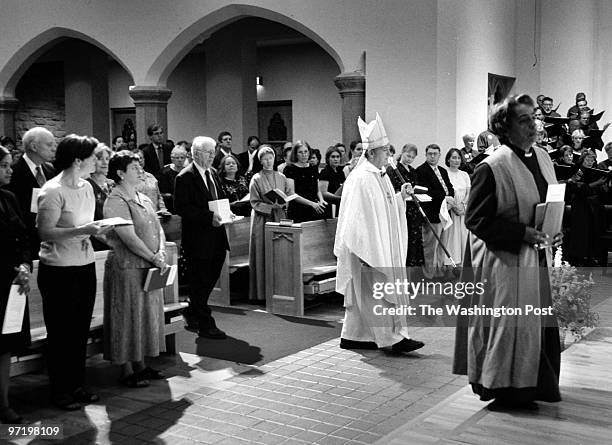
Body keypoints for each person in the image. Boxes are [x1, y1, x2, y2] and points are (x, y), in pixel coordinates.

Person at [453, 94, 562, 411]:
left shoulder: (541, 156)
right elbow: (476, 220)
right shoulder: (492, 166)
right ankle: (507, 390)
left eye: (534, 118)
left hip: (536, 257)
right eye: (524, 120)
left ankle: (536, 384)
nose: (533, 125)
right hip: (506, 261)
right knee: (511, 328)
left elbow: (547, 199)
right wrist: (521, 233)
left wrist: (553, 228)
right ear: (505, 126)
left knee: (538, 326)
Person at [335, 113, 424, 353]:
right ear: (372, 153)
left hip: (378, 245)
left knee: (368, 296)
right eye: (385, 150)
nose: (389, 154)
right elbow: (356, 219)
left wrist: (400, 197)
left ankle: (354, 336)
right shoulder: (362, 179)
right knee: (375, 294)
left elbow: (384, 208)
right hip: (367, 249)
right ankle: (392, 339)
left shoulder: (379, 175)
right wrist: (365, 249)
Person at [36, 134, 111, 410]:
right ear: (78, 160)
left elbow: (87, 223)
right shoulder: (53, 190)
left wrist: (101, 229)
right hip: (58, 269)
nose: (98, 161)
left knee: (80, 329)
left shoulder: (87, 187)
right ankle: (60, 391)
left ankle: (77, 384)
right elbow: (45, 232)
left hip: (84, 264)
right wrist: (82, 231)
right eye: (93, 157)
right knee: (61, 332)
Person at [103, 150, 168, 388]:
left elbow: (158, 228)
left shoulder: (144, 198)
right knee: (127, 315)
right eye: (134, 168)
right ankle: (126, 369)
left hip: (149, 265)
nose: (141, 170)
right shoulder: (116, 200)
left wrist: (160, 252)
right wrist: (153, 256)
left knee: (145, 314)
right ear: (120, 173)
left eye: (140, 166)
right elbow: (128, 238)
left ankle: (140, 364)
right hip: (127, 266)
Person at [174, 136, 229, 339]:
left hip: (217, 235)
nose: (213, 155)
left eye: (214, 151)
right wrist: (208, 217)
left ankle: (192, 310)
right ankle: (206, 323)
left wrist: (226, 212)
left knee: (210, 277)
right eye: (209, 152)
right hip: (198, 238)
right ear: (197, 153)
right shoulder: (185, 177)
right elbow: (182, 207)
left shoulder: (213, 173)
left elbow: (218, 198)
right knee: (200, 279)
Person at [0, 146, 32, 423]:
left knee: (5, 345)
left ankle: (3, 401)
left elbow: (23, 235)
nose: (11, 170)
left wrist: (24, 264)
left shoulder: (9, 197)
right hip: (1, 276)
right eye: (5, 166)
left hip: (11, 282)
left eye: (10, 165)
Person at [248, 146, 293, 301]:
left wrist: (284, 203)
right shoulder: (256, 178)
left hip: (279, 216)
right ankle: (261, 293)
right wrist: (269, 207)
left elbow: (287, 195)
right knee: (263, 253)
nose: (268, 161)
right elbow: (254, 202)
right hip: (263, 219)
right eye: (265, 159)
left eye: (270, 158)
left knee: (279, 253)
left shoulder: (281, 176)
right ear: (260, 161)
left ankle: (279, 291)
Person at [7, 127, 57, 257]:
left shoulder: (51, 170)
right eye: (49, 145)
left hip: (52, 238)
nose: (54, 149)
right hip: (29, 241)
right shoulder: (13, 173)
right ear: (34, 147)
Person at [415, 144, 455, 279]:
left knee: (441, 246)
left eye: (435, 154)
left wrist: (451, 198)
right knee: (430, 248)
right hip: (432, 214)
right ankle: (428, 275)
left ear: (439, 155)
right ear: (426, 155)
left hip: (445, 214)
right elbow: (426, 191)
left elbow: (449, 187)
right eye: (430, 153)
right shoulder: (421, 170)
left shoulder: (443, 170)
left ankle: (439, 272)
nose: (433, 156)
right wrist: (445, 198)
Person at [565, 150, 607, 265]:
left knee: (593, 230)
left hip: (593, 205)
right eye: (588, 160)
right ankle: (579, 256)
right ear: (582, 159)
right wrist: (596, 184)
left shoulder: (596, 171)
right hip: (581, 204)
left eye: (592, 160)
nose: (590, 162)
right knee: (581, 231)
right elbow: (576, 187)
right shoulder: (579, 171)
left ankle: (591, 254)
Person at [387, 143, 424, 268]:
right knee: (406, 240)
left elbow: (416, 186)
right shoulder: (393, 169)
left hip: (414, 209)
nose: (409, 159)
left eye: (412, 157)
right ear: (402, 153)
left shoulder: (413, 171)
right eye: (408, 156)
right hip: (403, 208)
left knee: (416, 241)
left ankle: (416, 274)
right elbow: (392, 189)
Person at [283, 141, 327, 222]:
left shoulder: (313, 168)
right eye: (300, 152)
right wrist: (312, 204)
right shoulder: (289, 169)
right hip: (298, 209)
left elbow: (318, 190)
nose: (304, 155)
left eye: (306, 151)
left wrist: (321, 200)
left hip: (314, 208)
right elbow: (292, 193)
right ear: (296, 154)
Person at [443, 148, 471, 267]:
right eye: (453, 157)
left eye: (458, 158)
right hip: (451, 210)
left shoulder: (464, 174)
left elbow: (469, 192)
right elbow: (445, 192)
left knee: (463, 237)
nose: (456, 160)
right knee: (451, 239)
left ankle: (462, 266)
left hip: (463, 211)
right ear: (448, 159)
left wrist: (463, 205)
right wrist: (455, 206)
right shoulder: (444, 173)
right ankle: (450, 265)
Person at [86, 143, 114, 250]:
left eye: (107, 158)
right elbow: (88, 223)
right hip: (98, 244)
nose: (105, 162)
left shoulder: (112, 184)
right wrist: (111, 243)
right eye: (100, 159)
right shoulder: (86, 186)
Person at [133, 149, 168, 213]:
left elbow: (159, 196)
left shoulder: (151, 177)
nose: (140, 160)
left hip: (155, 214)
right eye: (137, 159)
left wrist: (163, 209)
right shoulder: (129, 179)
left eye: (141, 158)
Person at [158, 145, 188, 213]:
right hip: (170, 206)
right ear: (172, 159)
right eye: (177, 158)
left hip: (185, 206)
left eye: (182, 157)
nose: (180, 160)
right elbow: (161, 192)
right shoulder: (165, 172)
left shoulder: (187, 172)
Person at [318, 147, 345, 217]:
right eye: (333, 157)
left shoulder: (341, 172)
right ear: (328, 159)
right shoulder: (325, 172)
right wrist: (339, 198)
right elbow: (323, 193)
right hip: (329, 206)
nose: (336, 159)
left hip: (340, 205)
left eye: (338, 157)